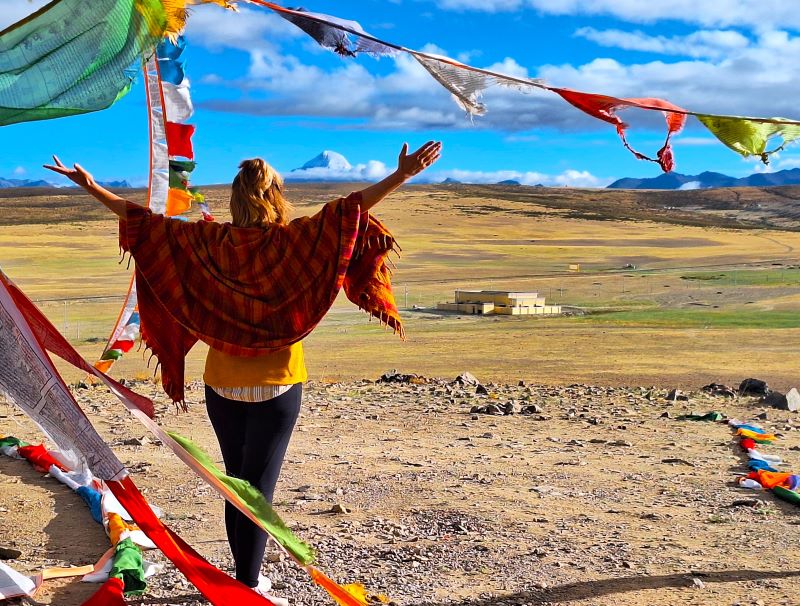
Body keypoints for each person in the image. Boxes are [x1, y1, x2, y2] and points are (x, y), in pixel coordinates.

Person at [44, 141, 442, 602]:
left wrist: (95, 188)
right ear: (276, 198)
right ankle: (248, 587)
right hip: (277, 383)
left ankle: (243, 578)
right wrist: (401, 176)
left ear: (234, 199)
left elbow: (148, 227)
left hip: (223, 382)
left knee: (236, 484)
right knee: (257, 490)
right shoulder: (296, 241)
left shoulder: (209, 244)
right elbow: (349, 211)